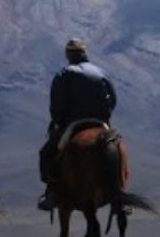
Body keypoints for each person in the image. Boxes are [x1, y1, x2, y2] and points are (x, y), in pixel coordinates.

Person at [36, 38, 117, 211]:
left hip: (73, 121)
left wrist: (57, 120)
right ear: (84, 53)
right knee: (116, 151)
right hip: (100, 121)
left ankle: (51, 192)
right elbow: (113, 98)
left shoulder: (65, 73)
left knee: (46, 153)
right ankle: (119, 197)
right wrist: (105, 115)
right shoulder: (101, 71)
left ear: (68, 55)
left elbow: (56, 102)